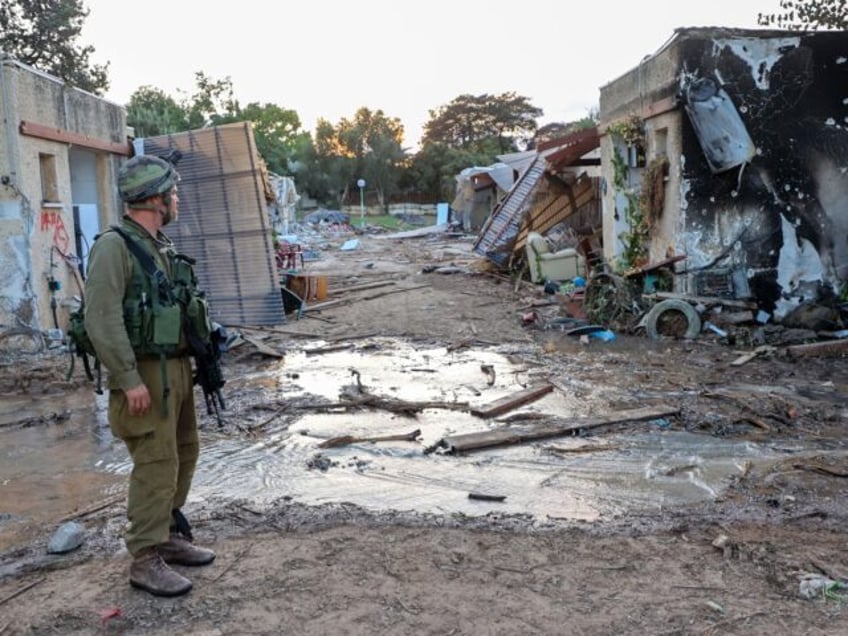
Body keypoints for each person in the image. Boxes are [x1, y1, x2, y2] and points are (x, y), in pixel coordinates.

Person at [84, 154, 215, 597]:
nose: (176, 199)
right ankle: (144, 558)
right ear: (156, 199)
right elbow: (101, 318)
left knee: (183, 452)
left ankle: (165, 536)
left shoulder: (160, 246)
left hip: (174, 368)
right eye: (173, 193)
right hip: (143, 374)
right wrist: (127, 378)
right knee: (155, 464)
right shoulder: (114, 246)